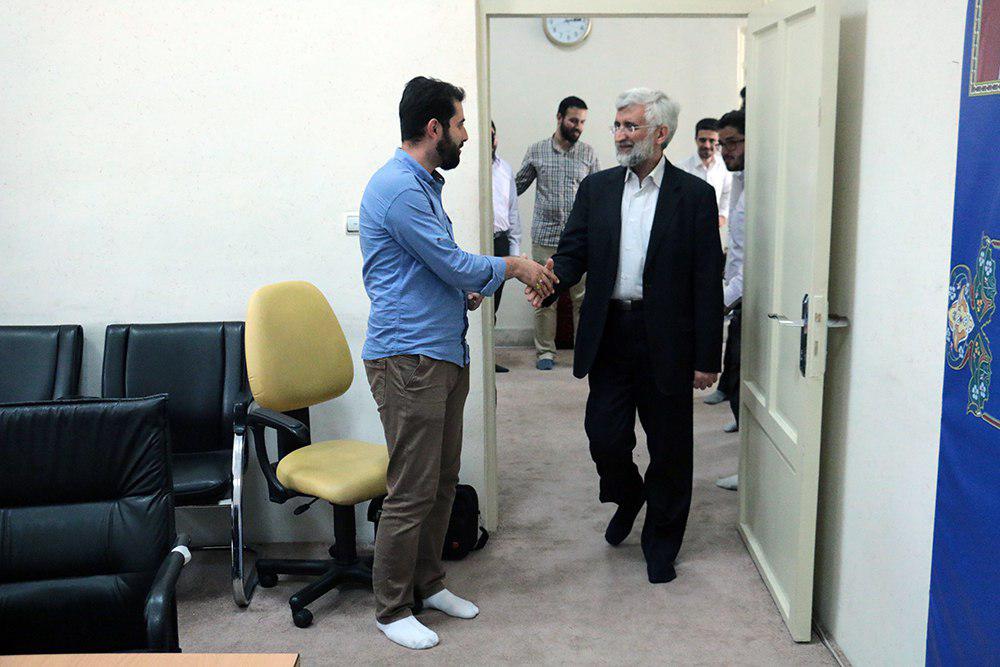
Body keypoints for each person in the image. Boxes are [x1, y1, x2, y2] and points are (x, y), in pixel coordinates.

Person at [359, 76, 558, 650]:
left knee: (442, 482)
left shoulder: (423, 185)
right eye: (462, 123)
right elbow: (451, 262)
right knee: (410, 490)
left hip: (440, 352)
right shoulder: (399, 188)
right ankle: (391, 607)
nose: (468, 135)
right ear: (434, 128)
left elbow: (431, 267)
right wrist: (514, 267)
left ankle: (428, 583)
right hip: (409, 360)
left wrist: (464, 288)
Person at [525, 88, 723, 583]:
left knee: (670, 448)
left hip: (668, 339)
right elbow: (573, 252)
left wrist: (708, 357)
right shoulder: (597, 189)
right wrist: (548, 282)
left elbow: (707, 281)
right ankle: (629, 494)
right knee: (605, 436)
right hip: (611, 331)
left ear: (660, 133)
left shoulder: (694, 196)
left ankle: (662, 543)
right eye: (617, 125)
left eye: (631, 126)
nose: (620, 135)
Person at [516, 96, 601, 370]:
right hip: (545, 237)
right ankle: (545, 352)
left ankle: (582, 351)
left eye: (583, 122)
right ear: (560, 118)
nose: (578, 127)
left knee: (582, 299)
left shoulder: (588, 154)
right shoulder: (537, 151)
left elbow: (599, 198)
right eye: (574, 120)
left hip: (579, 242)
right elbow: (515, 188)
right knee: (544, 297)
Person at [714, 109, 747, 491]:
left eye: (733, 142)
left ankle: (751, 471)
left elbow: (755, 261)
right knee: (737, 376)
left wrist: (720, 300)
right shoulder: (738, 179)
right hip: (735, 296)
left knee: (742, 379)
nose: (726, 151)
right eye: (723, 144)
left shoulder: (759, 185)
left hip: (744, 297)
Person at [491, 120, 522, 373]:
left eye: (493, 135)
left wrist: (515, 255)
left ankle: (489, 358)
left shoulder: (505, 169)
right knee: (476, 303)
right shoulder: (469, 169)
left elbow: (513, 213)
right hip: (477, 244)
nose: (490, 141)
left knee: (494, 303)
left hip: (500, 241)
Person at [678, 117, 732, 233]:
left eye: (712, 141)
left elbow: (727, 193)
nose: (707, 145)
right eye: (703, 140)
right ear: (696, 140)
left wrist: (722, 216)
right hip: (687, 230)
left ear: (718, 142)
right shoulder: (682, 169)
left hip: (714, 230)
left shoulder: (725, 168)